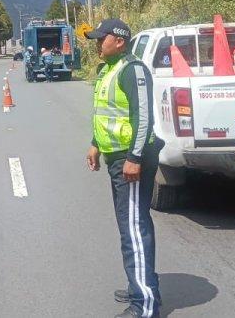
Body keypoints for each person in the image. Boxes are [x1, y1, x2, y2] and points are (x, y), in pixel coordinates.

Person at [84, 18, 162, 318]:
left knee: (133, 229)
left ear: (119, 40)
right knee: (131, 225)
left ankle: (144, 306)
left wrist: (134, 158)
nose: (96, 43)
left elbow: (143, 118)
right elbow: (107, 114)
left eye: (100, 38)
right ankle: (140, 286)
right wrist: (95, 143)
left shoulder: (133, 70)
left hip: (131, 161)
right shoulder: (109, 69)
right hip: (116, 157)